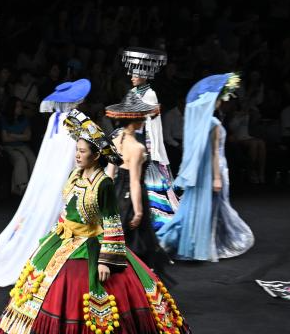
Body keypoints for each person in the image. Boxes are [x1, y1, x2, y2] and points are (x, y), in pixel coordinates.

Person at [0, 110, 195, 334]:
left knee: (94, 310)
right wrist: (57, 232)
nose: (77, 155)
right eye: (77, 150)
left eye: (82, 151)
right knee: (39, 296)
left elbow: (112, 222)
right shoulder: (75, 176)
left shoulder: (102, 184)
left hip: (93, 247)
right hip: (65, 241)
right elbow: (68, 210)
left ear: (95, 155)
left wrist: (107, 259)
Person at [0, 79, 90, 286]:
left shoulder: (55, 118)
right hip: (67, 171)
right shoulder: (77, 119)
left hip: (51, 172)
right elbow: (89, 144)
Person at [157, 74, 255, 261]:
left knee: (202, 207)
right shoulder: (213, 124)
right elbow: (214, 153)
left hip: (202, 170)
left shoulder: (199, 123)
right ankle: (206, 243)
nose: (222, 101)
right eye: (220, 98)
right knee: (215, 206)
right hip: (214, 169)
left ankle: (201, 242)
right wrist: (217, 177)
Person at [105, 93, 176, 285]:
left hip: (117, 193)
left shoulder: (116, 140)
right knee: (138, 241)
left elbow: (110, 174)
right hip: (132, 196)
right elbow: (135, 182)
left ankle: (119, 282)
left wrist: (107, 198)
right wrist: (138, 211)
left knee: (118, 238)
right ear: (135, 120)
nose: (145, 120)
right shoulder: (137, 148)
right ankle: (137, 284)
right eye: (142, 117)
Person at [119, 47, 180, 229]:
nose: (131, 76)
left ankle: (151, 216)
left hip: (145, 141)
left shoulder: (150, 94)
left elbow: (153, 124)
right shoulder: (132, 92)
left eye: (135, 74)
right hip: (132, 139)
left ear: (145, 76)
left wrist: (151, 148)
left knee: (147, 180)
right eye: (131, 73)